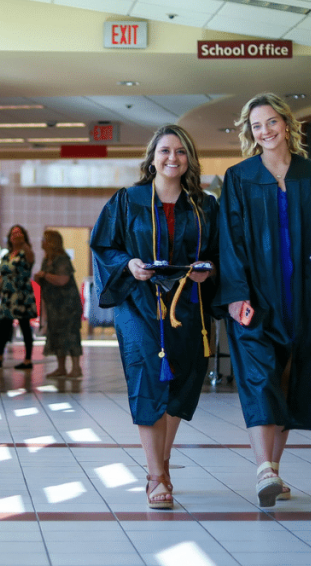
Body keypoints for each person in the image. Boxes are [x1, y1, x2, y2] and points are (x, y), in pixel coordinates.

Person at [216, 93, 311, 508]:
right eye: (256, 126)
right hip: (256, 298)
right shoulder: (240, 177)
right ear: (251, 133)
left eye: (271, 122)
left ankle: (273, 471)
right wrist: (236, 294)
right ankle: (263, 469)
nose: (265, 131)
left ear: (286, 123)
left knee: (290, 382)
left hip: (303, 296)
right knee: (259, 379)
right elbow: (229, 240)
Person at [91, 124, 219, 510]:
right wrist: (128, 264)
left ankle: (161, 463)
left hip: (187, 305)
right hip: (139, 303)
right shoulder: (127, 200)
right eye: (164, 151)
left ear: (189, 159)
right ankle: (154, 475)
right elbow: (104, 245)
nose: (172, 158)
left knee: (182, 381)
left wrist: (208, 269)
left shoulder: (205, 205)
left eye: (180, 151)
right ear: (152, 157)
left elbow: (219, 252)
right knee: (147, 377)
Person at [34, 229, 83, 379]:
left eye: (45, 239)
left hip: (67, 306)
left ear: (52, 242)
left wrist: (44, 275)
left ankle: (76, 368)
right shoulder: (46, 260)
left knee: (71, 335)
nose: (42, 242)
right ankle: (61, 368)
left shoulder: (62, 259)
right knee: (56, 335)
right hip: (53, 305)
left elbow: (62, 280)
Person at [0, 224, 38, 370]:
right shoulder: (6, 255)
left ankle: (28, 359)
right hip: (7, 295)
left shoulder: (26, 253)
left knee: (25, 326)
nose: (16, 236)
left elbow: (31, 259)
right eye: (13, 234)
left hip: (22, 294)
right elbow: (2, 275)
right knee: (3, 326)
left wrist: (23, 244)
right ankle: (0, 356)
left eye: (19, 233)